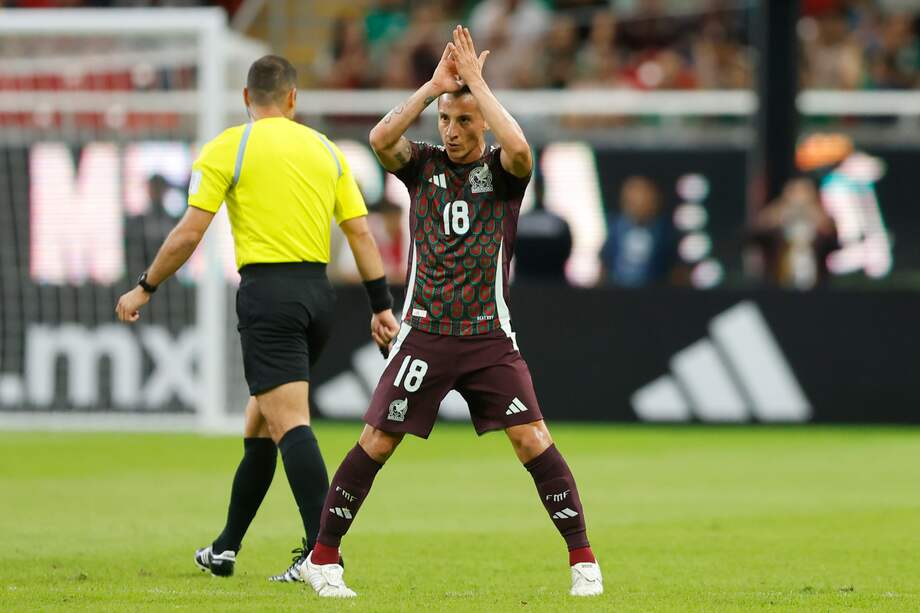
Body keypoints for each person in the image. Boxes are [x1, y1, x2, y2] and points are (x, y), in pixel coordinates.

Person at [298, 26, 603, 599]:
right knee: (377, 440)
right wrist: (432, 88)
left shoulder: (503, 175)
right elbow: (380, 139)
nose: (452, 130)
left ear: (482, 122)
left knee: (532, 439)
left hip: (489, 337)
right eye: (445, 120)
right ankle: (323, 559)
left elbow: (521, 150)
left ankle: (583, 561)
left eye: (464, 121)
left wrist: (478, 86)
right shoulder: (422, 165)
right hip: (426, 333)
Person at [114, 55, 400, 580]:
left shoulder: (230, 146)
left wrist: (145, 286)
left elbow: (190, 232)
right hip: (319, 297)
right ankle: (225, 547)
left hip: (269, 296)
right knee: (261, 422)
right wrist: (381, 305)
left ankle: (322, 555)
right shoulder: (327, 150)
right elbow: (360, 232)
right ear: (293, 98)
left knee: (290, 422)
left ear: (246, 98)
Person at [599, 175, 674, 287]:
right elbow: (603, 261)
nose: (639, 203)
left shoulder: (665, 232)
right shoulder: (612, 227)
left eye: (644, 198)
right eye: (633, 200)